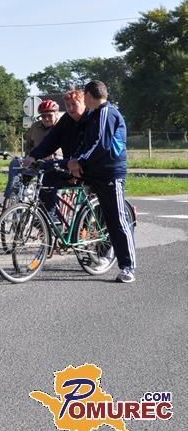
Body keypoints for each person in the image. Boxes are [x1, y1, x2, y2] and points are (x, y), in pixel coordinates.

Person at [68, 80, 136, 284]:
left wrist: (79, 161)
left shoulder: (107, 112)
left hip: (110, 173)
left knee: (116, 220)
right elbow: (85, 143)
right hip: (94, 171)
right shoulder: (93, 115)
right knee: (99, 215)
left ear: (89, 95)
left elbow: (101, 144)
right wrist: (73, 160)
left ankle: (128, 267)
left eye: (84, 96)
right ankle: (96, 251)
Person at [0, 100, 60, 207]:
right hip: (36, 162)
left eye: (49, 115)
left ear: (56, 114)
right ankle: (10, 197)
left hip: (53, 165)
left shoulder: (61, 127)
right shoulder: (35, 127)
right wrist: (28, 157)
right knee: (15, 163)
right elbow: (28, 145)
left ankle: (48, 207)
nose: (46, 119)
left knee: (47, 194)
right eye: (43, 116)